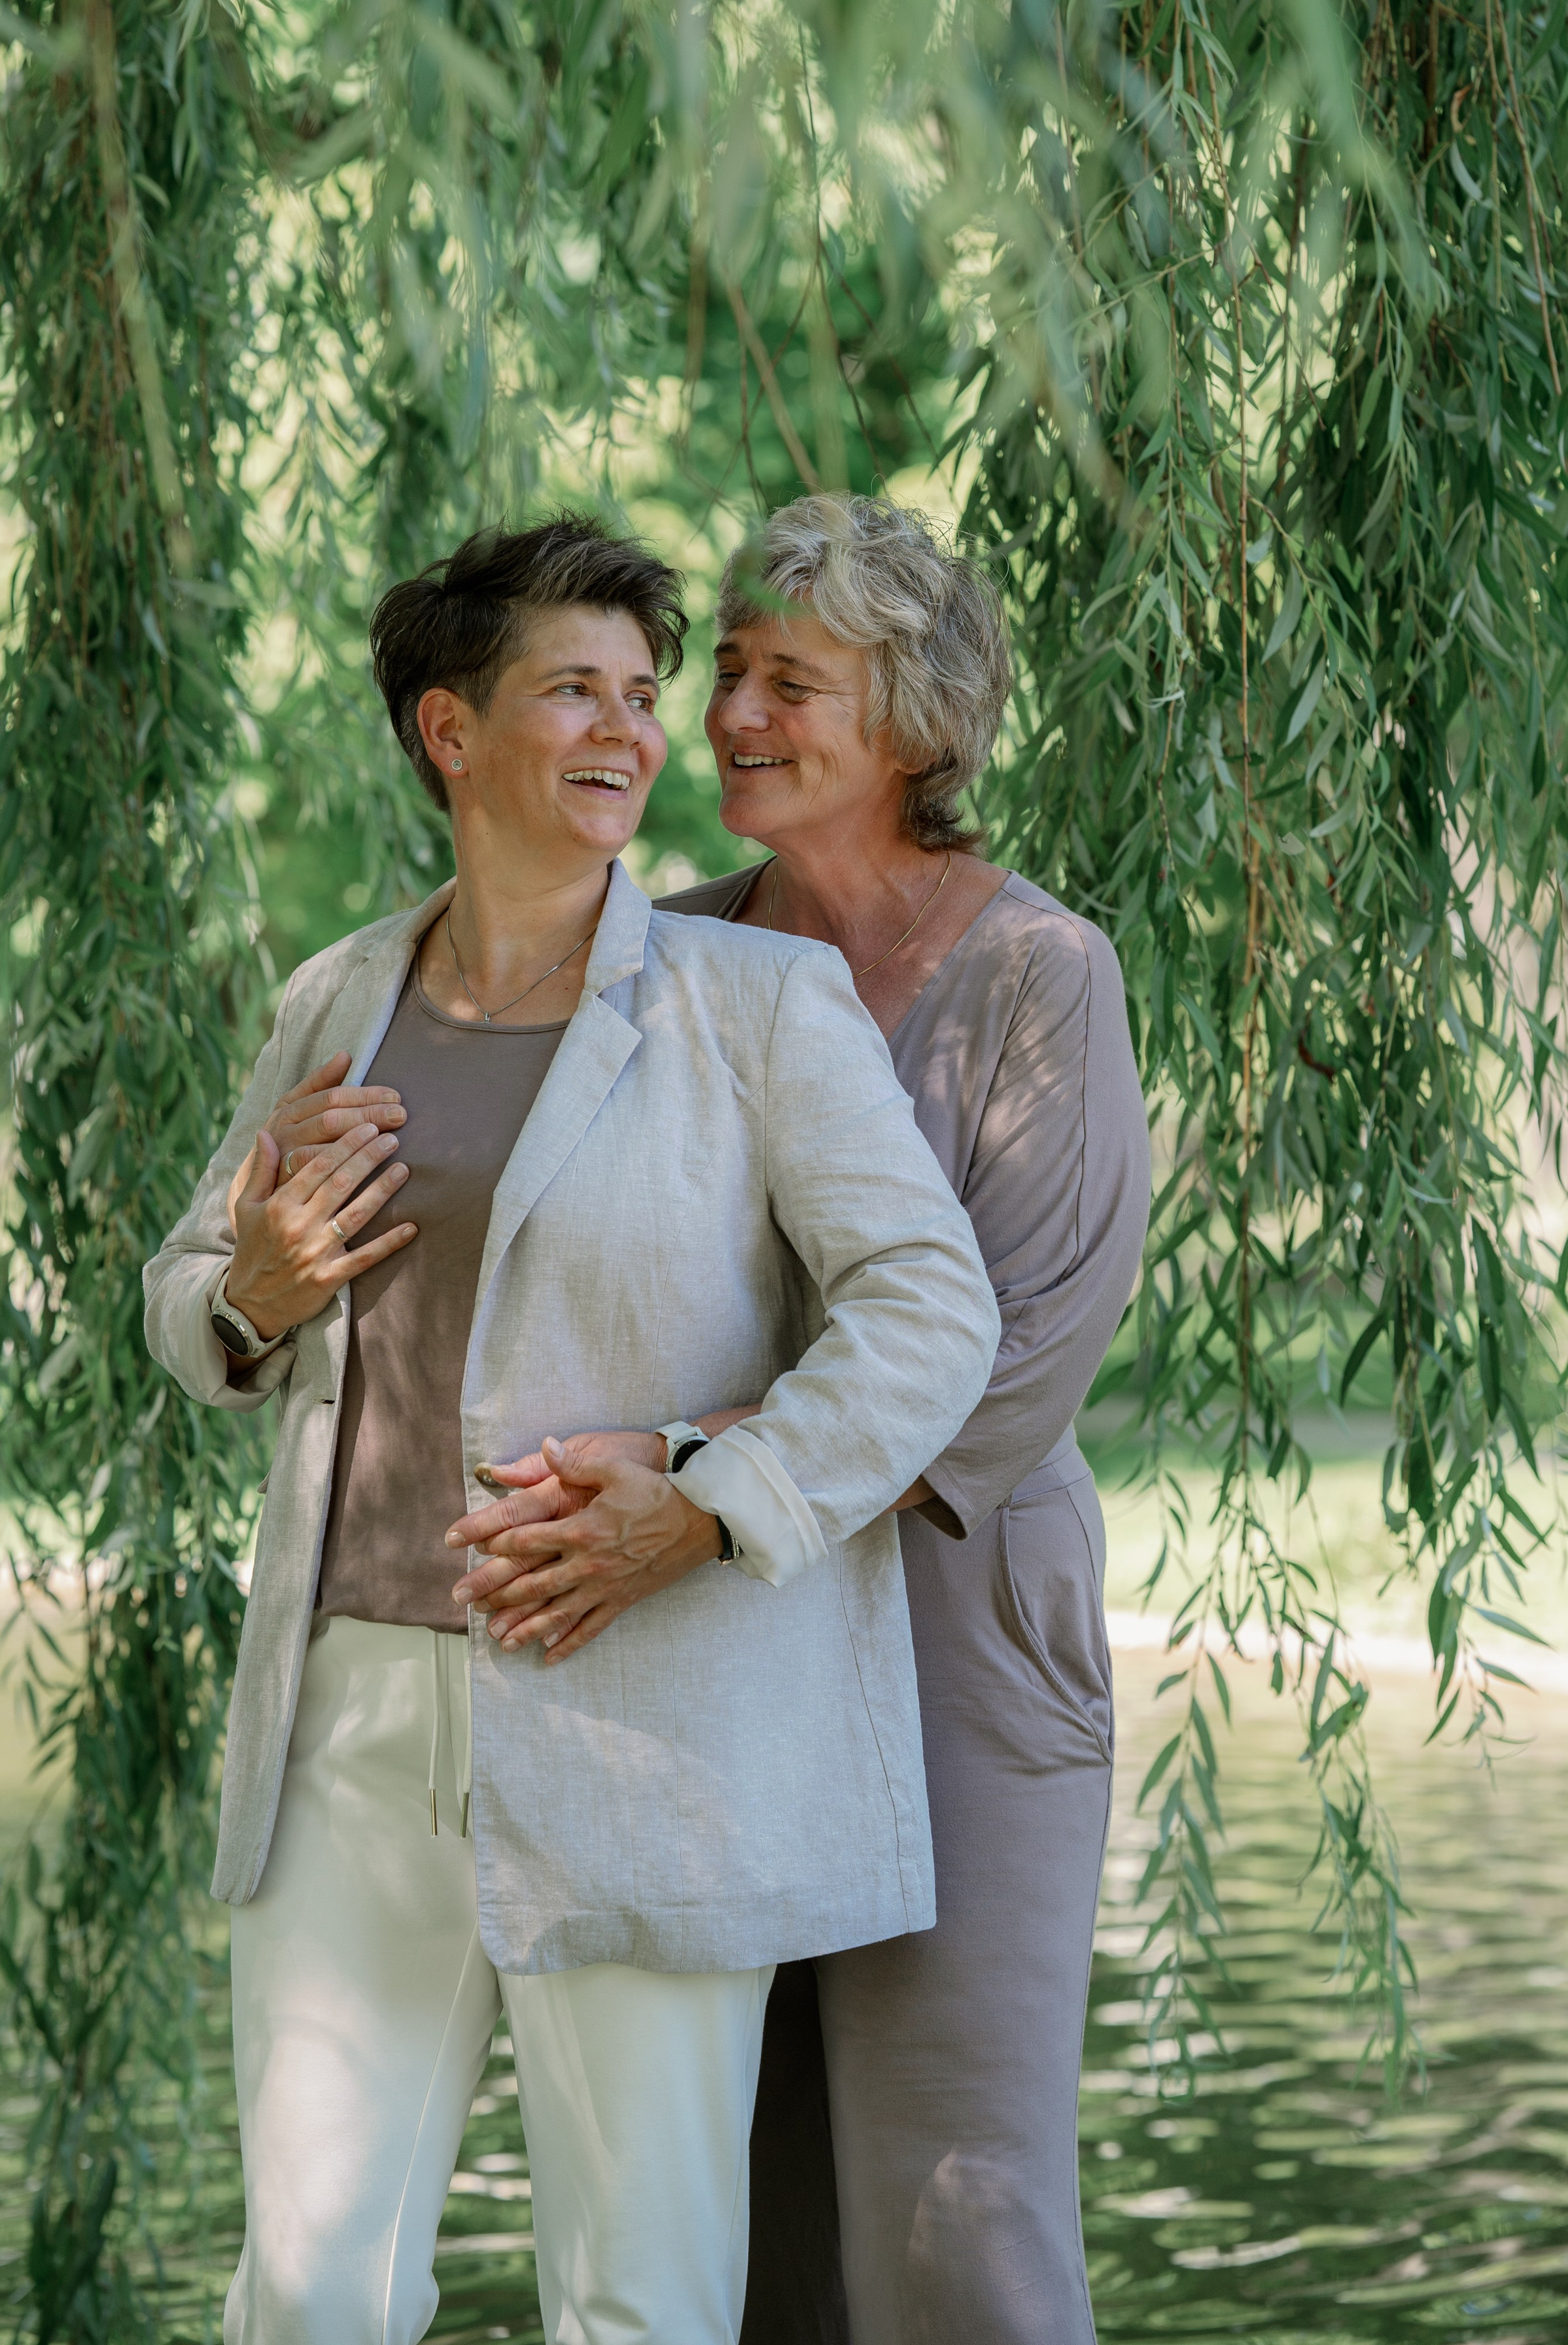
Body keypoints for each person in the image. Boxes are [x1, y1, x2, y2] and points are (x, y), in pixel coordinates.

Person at [141, 514, 1000, 2345]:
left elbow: (934, 1310)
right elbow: (194, 1287)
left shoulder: (755, 1007)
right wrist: (254, 1291)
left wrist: (711, 1501)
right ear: (451, 731)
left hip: (642, 1713)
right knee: (306, 2289)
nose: (629, 732)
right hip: (350, 1712)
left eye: (640, 694)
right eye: (573, 693)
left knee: (640, 2300)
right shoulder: (338, 998)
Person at [455, 495, 1151, 2345]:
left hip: (953, 1622)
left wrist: (701, 1472)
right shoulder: (669, 955)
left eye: (792, 682)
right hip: (708, 1629)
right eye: (733, 675)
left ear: (916, 722)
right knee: (742, 2210)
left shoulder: (1039, 975)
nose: (734, 716)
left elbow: (1016, 1355)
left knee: (955, 2200)